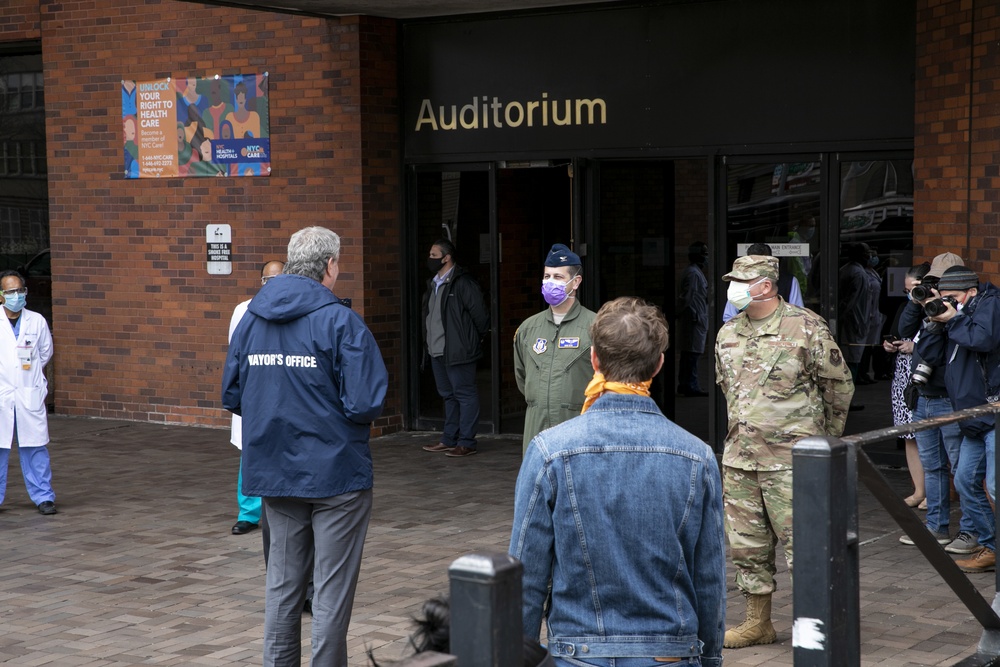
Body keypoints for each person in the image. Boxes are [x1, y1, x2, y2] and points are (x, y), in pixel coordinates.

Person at [510, 297, 726, 667]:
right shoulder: (698, 456)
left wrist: (516, 656)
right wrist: (711, 658)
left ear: (594, 360)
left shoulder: (549, 450)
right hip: (671, 652)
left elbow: (526, 576)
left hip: (579, 651)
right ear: (658, 364)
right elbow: (709, 578)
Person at [222, 226, 388, 665]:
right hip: (336, 476)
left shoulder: (252, 318)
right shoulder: (340, 321)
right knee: (330, 594)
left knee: (282, 588)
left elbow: (233, 394)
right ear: (330, 266)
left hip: (275, 472)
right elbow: (366, 402)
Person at [715, 255, 854, 648]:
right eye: (733, 280)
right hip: (741, 459)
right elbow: (730, 392)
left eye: (743, 280)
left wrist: (822, 445)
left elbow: (838, 387)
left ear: (766, 285)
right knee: (747, 546)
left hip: (792, 461)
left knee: (806, 546)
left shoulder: (806, 327)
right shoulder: (727, 333)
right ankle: (758, 622)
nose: (734, 287)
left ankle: (819, 625)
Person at [914, 264, 1000, 573]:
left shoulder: (990, 305)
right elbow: (931, 355)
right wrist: (934, 322)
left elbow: (983, 340)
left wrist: (953, 318)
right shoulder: (955, 316)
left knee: (994, 484)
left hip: (992, 411)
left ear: (972, 292)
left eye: (952, 297)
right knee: (964, 481)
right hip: (970, 415)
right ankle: (992, 547)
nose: (947, 302)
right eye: (944, 296)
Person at [897, 256, 972, 553]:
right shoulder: (928, 307)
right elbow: (904, 329)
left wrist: (947, 315)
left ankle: (970, 532)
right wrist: (915, 300)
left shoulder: (962, 312)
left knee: (961, 469)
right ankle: (936, 528)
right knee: (933, 467)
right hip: (923, 397)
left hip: (948, 399)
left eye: (940, 284)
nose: (936, 289)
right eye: (932, 282)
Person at [513, 243, 596, 452]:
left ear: (576, 282)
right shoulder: (528, 329)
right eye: (547, 276)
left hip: (578, 429)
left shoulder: (595, 327)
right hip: (536, 430)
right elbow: (522, 377)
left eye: (558, 277)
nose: (550, 282)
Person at [228, 260, 285, 536]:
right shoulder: (244, 310)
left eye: (278, 279)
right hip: (255, 393)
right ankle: (248, 513)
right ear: (260, 281)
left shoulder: (295, 308)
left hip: (285, 393)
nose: (271, 285)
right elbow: (235, 358)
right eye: (267, 280)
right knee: (250, 457)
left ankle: (284, 508)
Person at [420, 239, 490, 457]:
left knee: (464, 394)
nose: (430, 259)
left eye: (434, 255)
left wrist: (471, 341)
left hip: (459, 351)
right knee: (448, 396)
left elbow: (481, 317)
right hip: (437, 350)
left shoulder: (463, 283)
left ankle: (467, 441)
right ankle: (449, 439)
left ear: (446, 257)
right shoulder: (433, 284)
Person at [0, 270, 56, 515]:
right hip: (2, 393)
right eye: (10, 291)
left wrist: (29, 377)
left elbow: (45, 353)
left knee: (34, 448)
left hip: (27, 393)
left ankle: (44, 497)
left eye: (19, 290)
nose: (16, 295)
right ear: (1, 296)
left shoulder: (37, 320)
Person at [883, 263, 930, 514]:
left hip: (927, 377)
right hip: (903, 375)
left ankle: (934, 494)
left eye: (914, 289)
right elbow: (894, 333)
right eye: (907, 290)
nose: (910, 295)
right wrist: (889, 344)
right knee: (909, 435)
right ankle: (919, 490)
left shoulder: (939, 308)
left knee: (930, 436)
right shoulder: (906, 306)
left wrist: (916, 349)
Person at [722, 242, 804, 323]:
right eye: (753, 264)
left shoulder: (789, 281)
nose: (757, 268)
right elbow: (729, 317)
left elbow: (799, 315)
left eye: (761, 264)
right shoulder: (739, 281)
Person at [838, 242, 884, 385]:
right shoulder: (856, 273)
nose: (869, 257)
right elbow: (851, 301)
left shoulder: (854, 270)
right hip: (854, 321)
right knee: (852, 357)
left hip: (857, 319)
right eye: (866, 254)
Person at [676, 241, 710, 396]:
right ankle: (690, 385)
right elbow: (687, 297)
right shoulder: (693, 274)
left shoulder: (695, 272)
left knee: (690, 354)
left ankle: (686, 383)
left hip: (695, 318)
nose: (707, 258)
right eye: (705, 254)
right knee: (691, 355)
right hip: (693, 319)